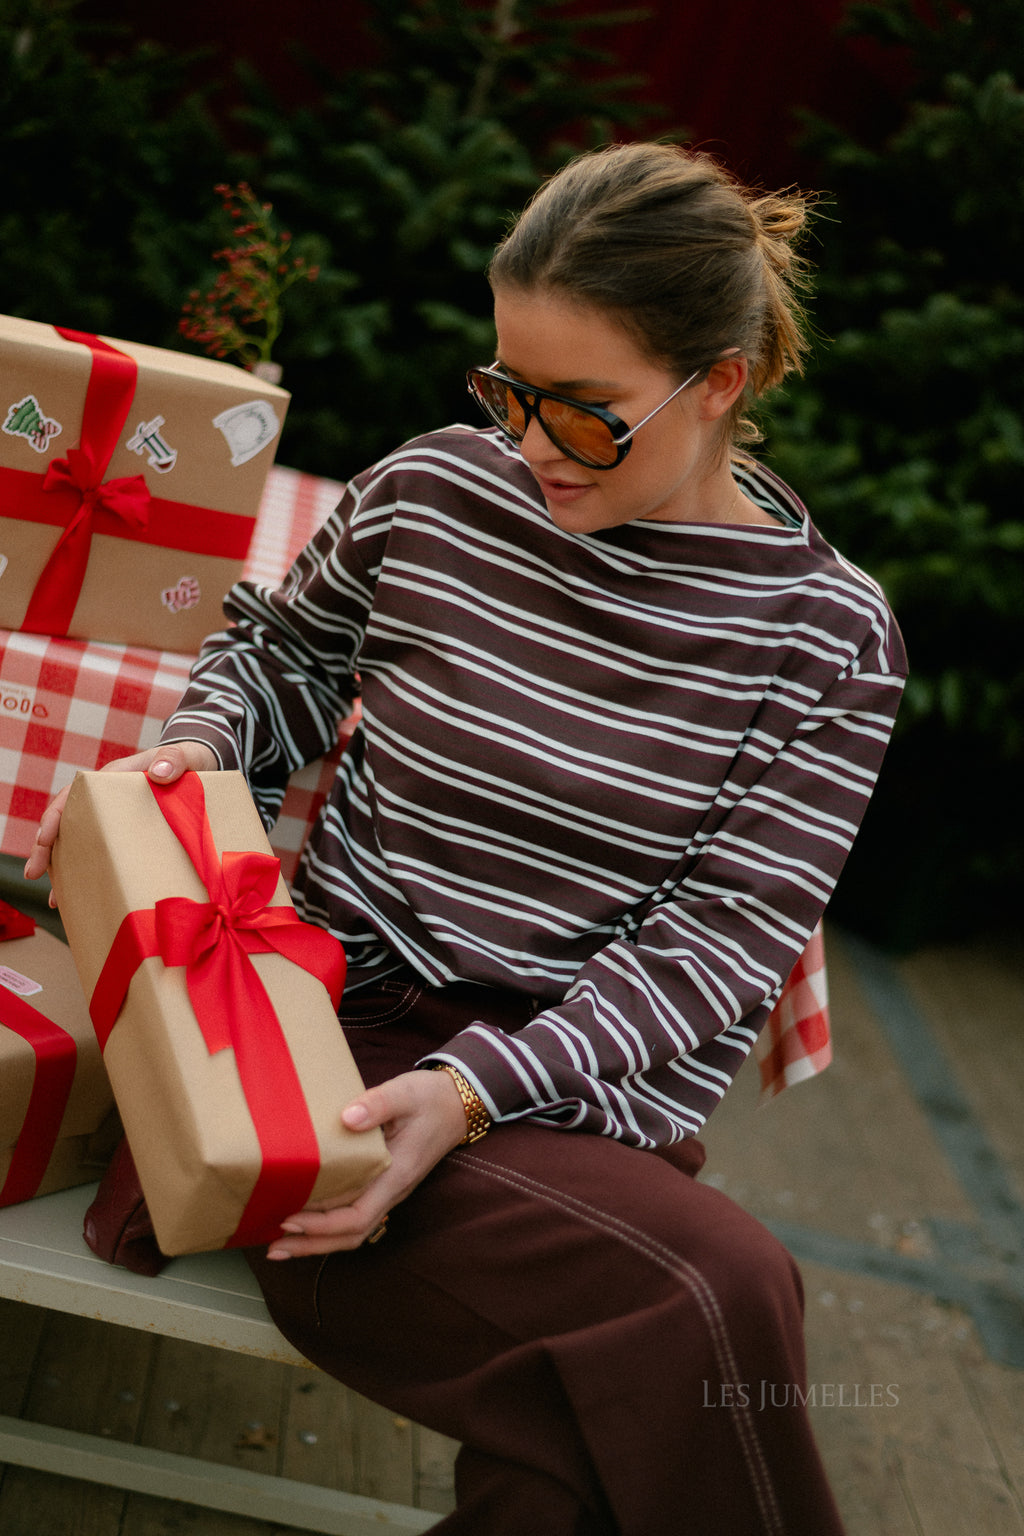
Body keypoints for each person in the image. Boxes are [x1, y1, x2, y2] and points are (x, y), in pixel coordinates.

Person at [27, 142, 906, 1534]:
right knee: (715, 1294)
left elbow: (724, 943)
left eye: (588, 411)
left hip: (566, 1118)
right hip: (319, 1068)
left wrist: (481, 1092)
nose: (535, 447)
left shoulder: (826, 638)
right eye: (511, 392)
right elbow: (282, 655)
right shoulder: (441, 489)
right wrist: (212, 745)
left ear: (722, 381)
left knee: (581, 1460)